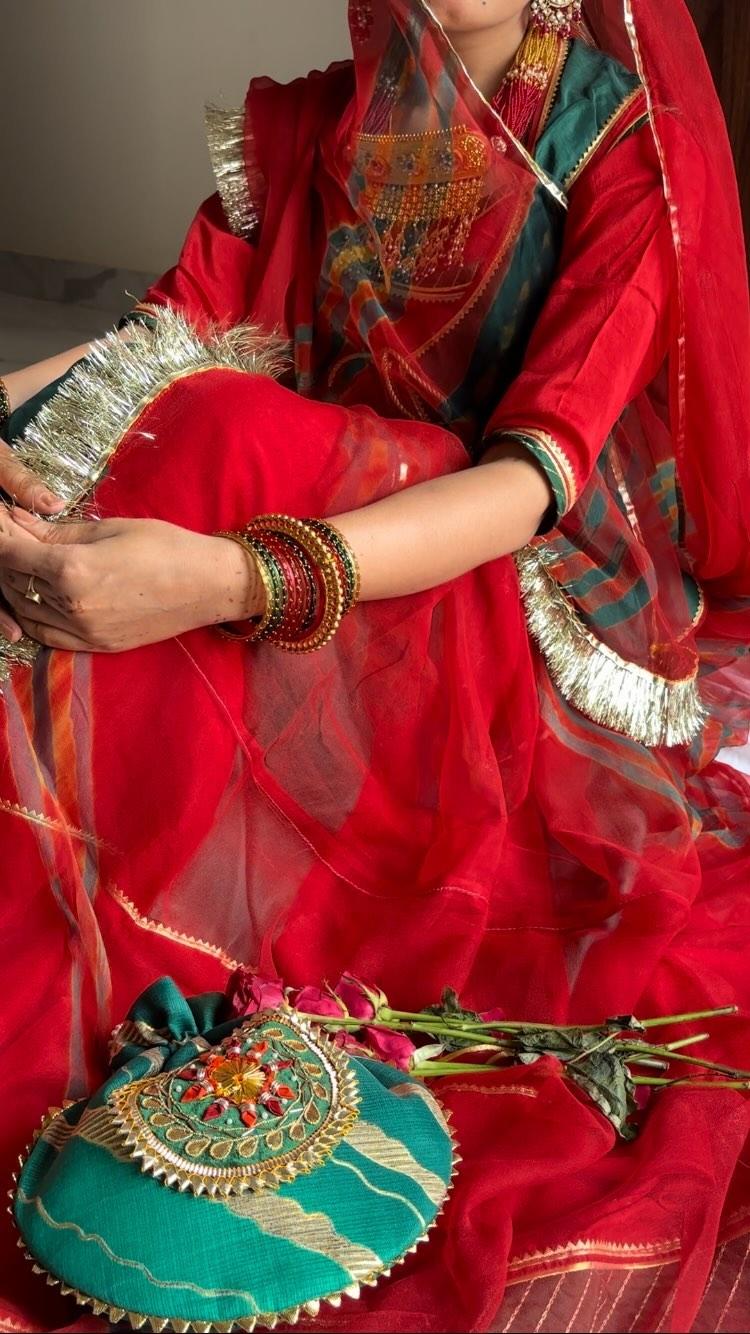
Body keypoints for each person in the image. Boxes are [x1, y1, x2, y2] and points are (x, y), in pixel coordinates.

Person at [0, 1, 749, 1329]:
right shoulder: (313, 123)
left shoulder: (620, 145)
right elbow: (160, 347)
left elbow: (530, 483)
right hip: (317, 555)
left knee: (224, 437)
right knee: (175, 429)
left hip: (502, 597)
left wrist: (233, 577)